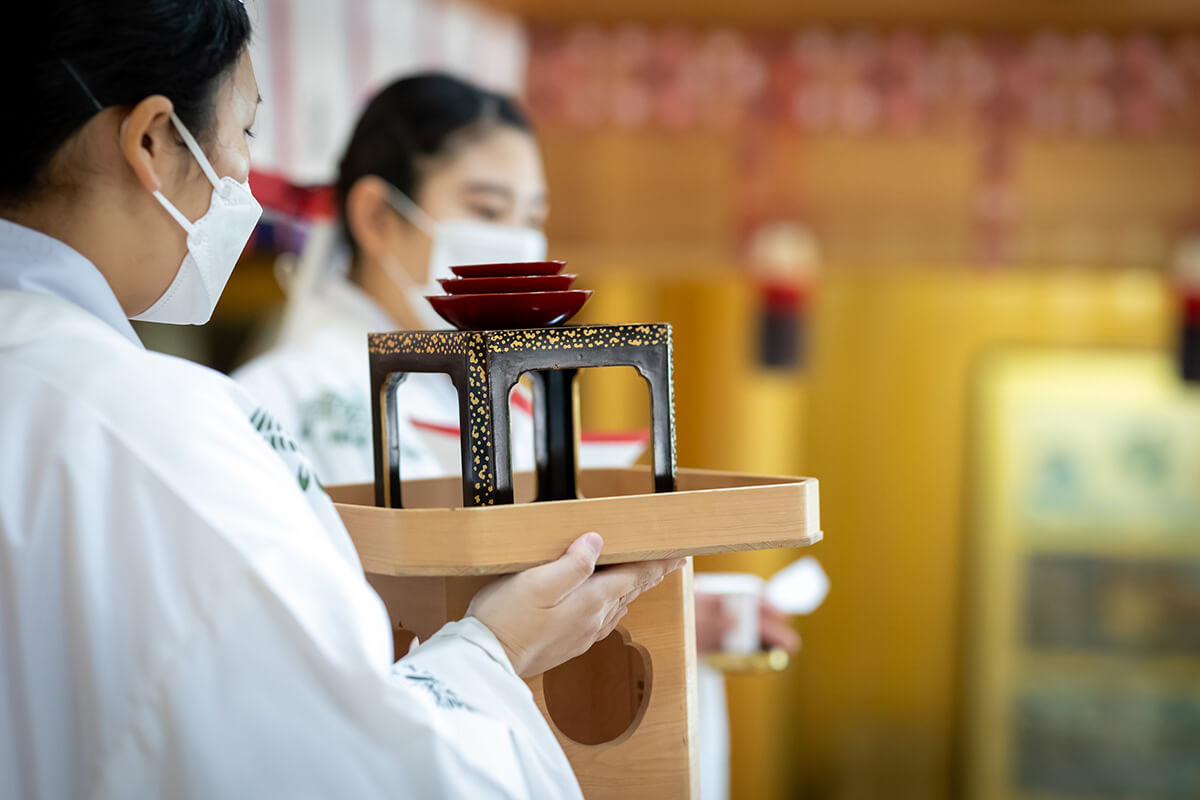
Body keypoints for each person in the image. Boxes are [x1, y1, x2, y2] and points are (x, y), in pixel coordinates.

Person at [0, 3, 681, 798]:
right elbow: (347, 765)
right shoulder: (177, 432)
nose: (244, 179)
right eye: (245, 132)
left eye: (533, 218)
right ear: (152, 140)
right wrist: (490, 652)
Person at [233, 73, 801, 800]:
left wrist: (653, 608)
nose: (517, 239)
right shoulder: (279, 400)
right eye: (487, 209)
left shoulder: (513, 391)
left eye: (532, 214)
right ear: (378, 216)